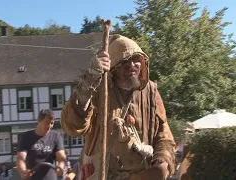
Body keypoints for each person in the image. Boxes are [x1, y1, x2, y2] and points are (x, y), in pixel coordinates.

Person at [60, 34, 176, 180]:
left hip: (142, 174)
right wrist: (89, 80)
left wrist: (162, 163)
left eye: (136, 60)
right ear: (114, 66)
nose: (132, 65)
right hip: (103, 174)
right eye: (125, 61)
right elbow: (72, 125)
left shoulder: (151, 92)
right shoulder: (98, 90)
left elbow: (164, 135)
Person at [17, 108, 67, 180]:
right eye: (47, 123)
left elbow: (61, 156)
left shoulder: (56, 136)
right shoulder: (26, 137)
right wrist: (23, 171)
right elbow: (20, 158)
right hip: (32, 177)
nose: (49, 126)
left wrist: (61, 167)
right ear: (39, 121)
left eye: (52, 123)